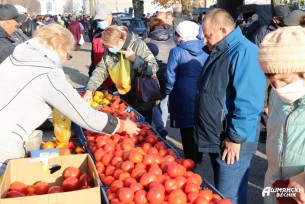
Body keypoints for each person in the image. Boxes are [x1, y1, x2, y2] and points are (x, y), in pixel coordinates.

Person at [0, 24, 139, 175]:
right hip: (4, 141)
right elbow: (86, 117)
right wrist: (123, 125)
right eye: (68, 55)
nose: (66, 61)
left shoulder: (19, 57)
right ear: (60, 47)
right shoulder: (47, 72)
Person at [195, 9, 265, 204]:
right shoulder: (221, 49)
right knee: (220, 194)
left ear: (223, 30)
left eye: (207, 35)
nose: (204, 41)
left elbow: (249, 101)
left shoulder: (244, 51)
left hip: (233, 142)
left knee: (229, 197)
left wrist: (235, 137)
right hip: (220, 137)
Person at [258, 26, 305, 204]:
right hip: (275, 185)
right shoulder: (275, 93)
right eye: (270, 78)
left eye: (284, 79)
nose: (277, 87)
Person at [83, 25, 158, 124]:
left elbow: (153, 68)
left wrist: (135, 59)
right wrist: (90, 89)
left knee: (143, 128)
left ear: (121, 40)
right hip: (125, 97)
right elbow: (101, 70)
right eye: (107, 47)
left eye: (110, 46)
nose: (109, 49)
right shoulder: (111, 51)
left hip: (143, 96)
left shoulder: (137, 45)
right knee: (128, 126)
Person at [164, 21, 208, 161]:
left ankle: (190, 157)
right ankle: (199, 155)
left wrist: (167, 90)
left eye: (176, 34)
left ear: (182, 35)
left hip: (182, 93)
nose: (175, 37)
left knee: (186, 127)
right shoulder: (207, 49)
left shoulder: (176, 51)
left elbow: (170, 75)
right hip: (202, 91)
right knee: (199, 123)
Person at [143, 17, 176, 139]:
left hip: (153, 75)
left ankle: (159, 128)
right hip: (168, 74)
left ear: (151, 27)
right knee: (164, 102)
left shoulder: (147, 41)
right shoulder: (172, 40)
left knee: (153, 103)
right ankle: (162, 128)